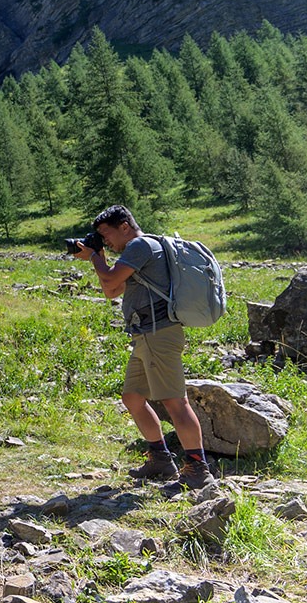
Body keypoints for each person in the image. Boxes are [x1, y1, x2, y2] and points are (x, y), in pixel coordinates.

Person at [72, 205, 214, 489]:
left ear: (124, 226)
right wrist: (98, 259)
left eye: (106, 234)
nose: (106, 242)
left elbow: (110, 279)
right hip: (146, 335)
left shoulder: (140, 245)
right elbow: (111, 290)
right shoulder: (139, 251)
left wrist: (94, 258)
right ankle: (160, 459)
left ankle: (198, 469)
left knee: (175, 402)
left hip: (158, 334)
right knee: (133, 398)